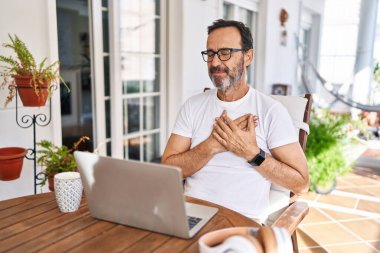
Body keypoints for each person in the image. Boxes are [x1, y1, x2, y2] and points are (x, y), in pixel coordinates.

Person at [161, 19, 308, 222]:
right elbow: (168, 170)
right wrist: (212, 146)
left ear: (248, 56)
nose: (214, 62)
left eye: (225, 53)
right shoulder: (193, 106)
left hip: (240, 222)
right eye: (210, 54)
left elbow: (301, 183)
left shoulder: (271, 111)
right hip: (189, 215)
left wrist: (251, 153)